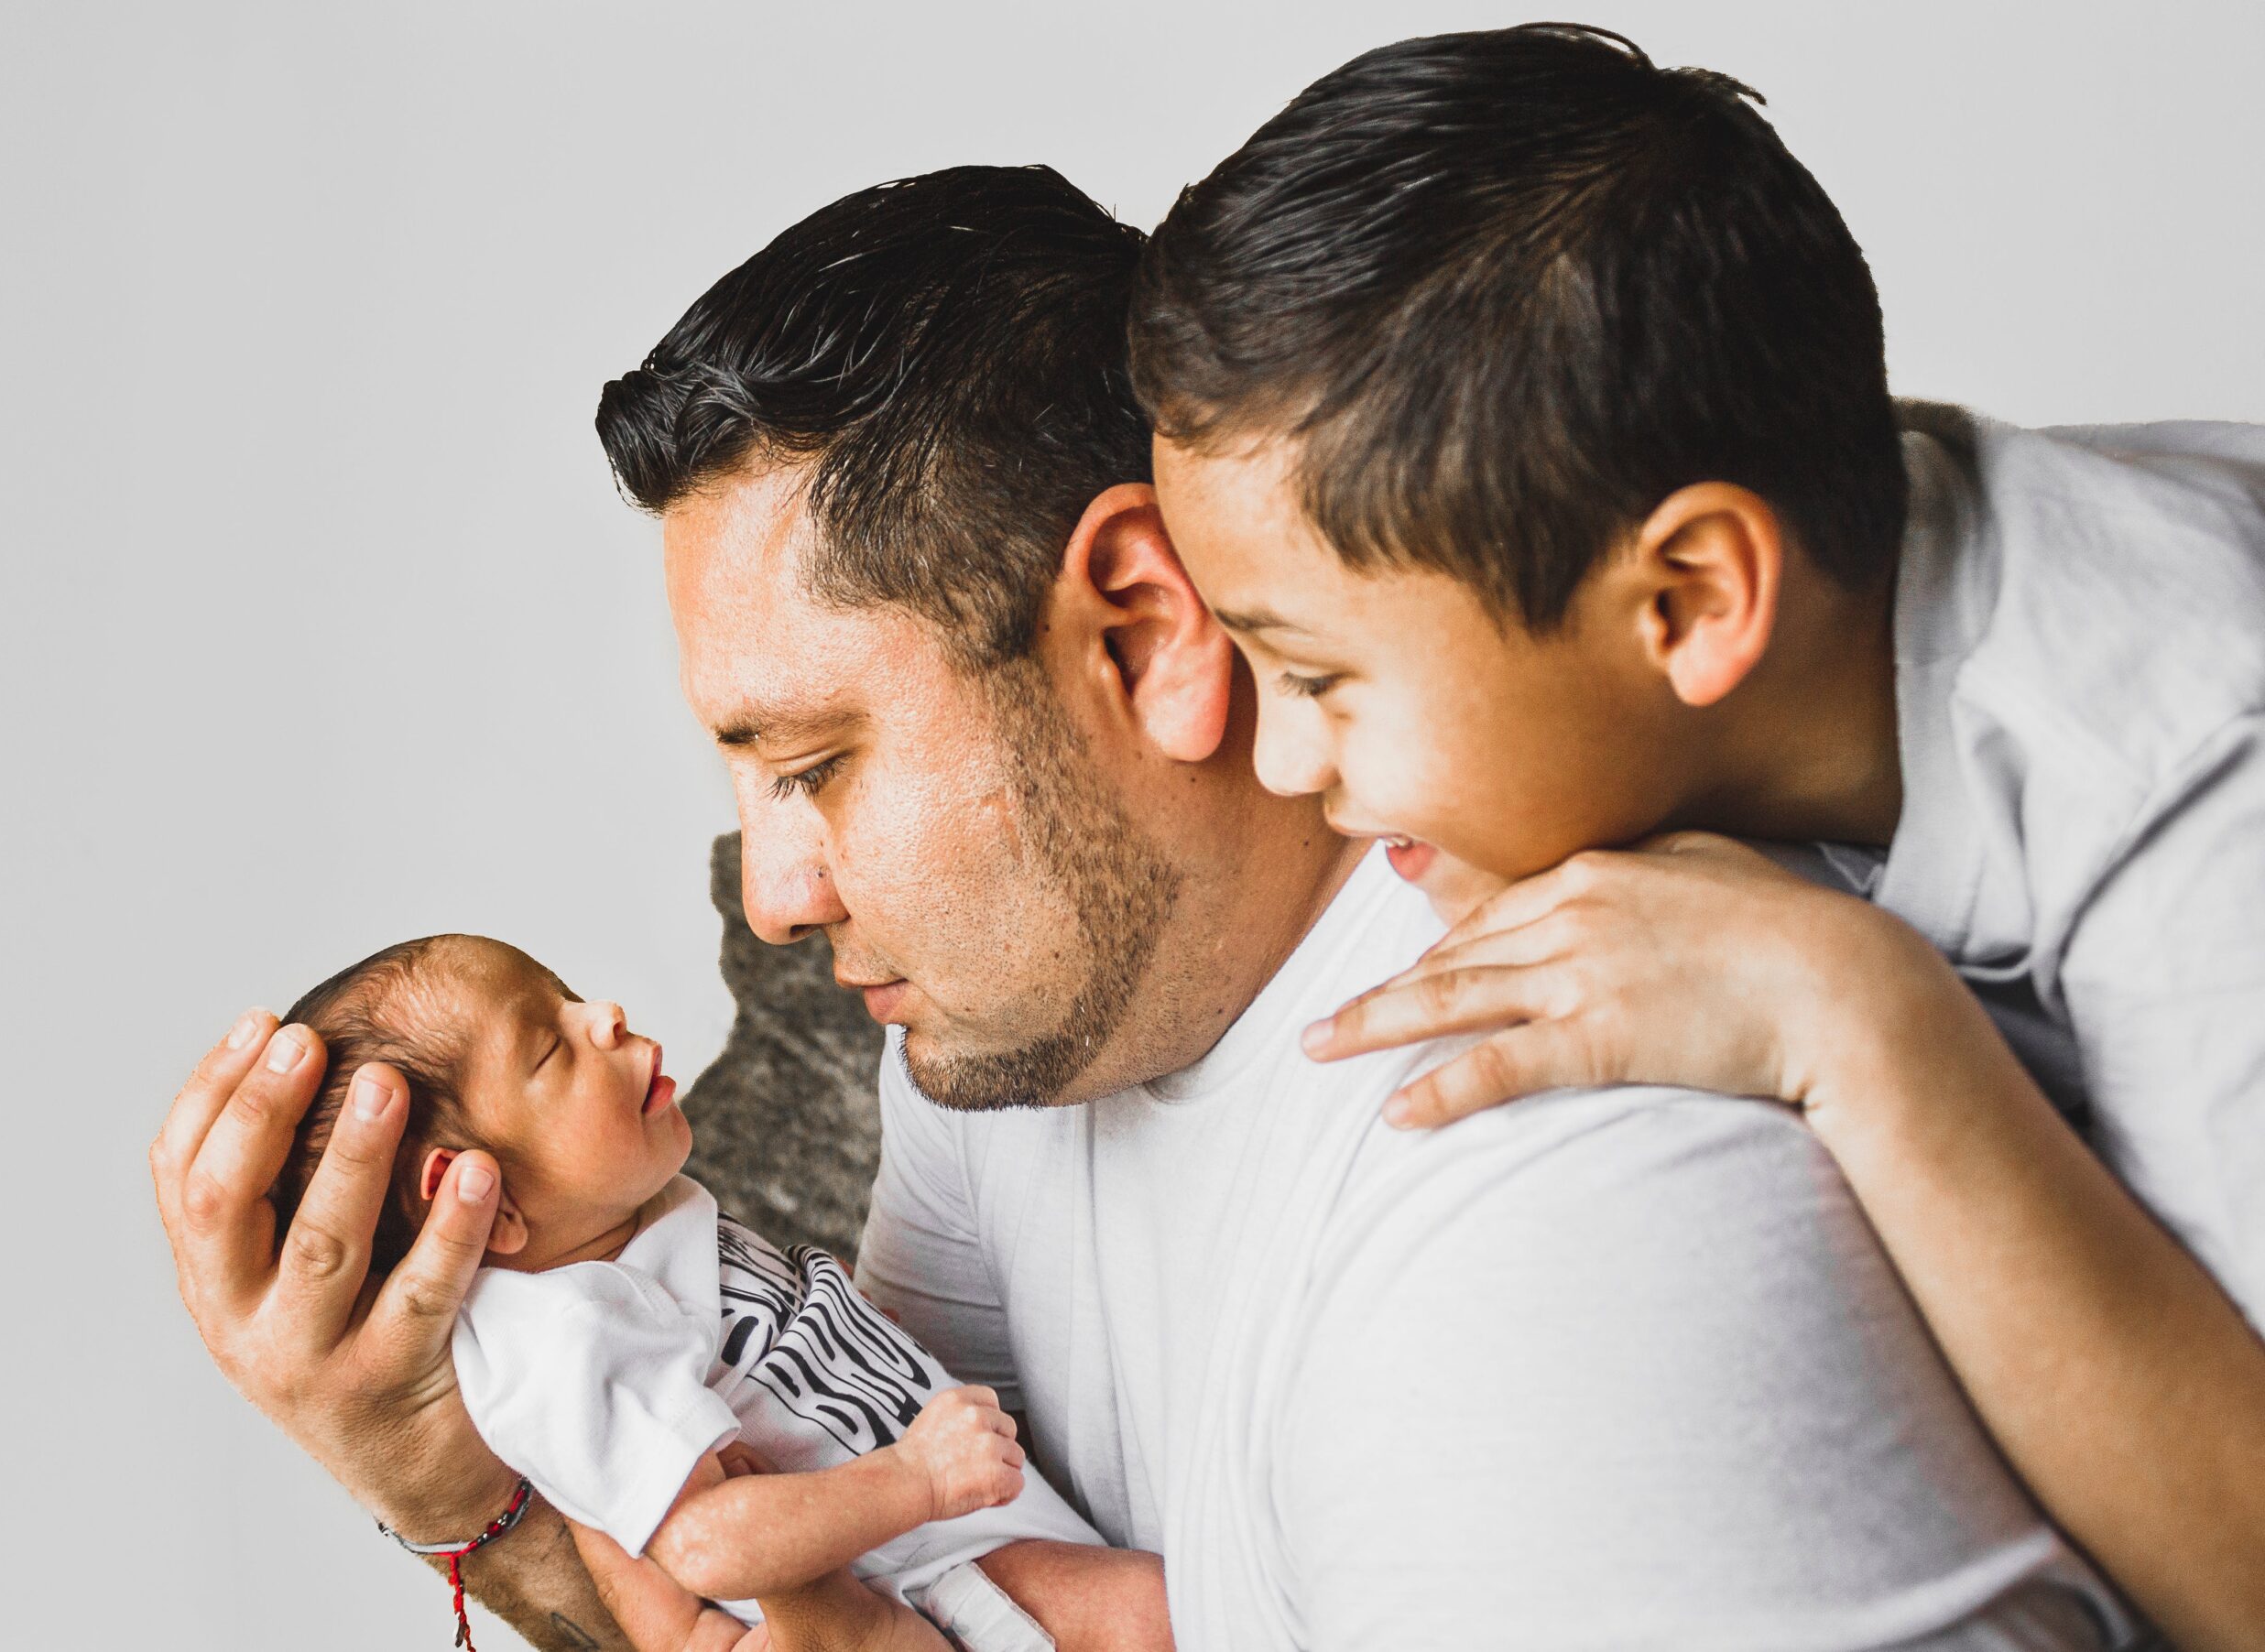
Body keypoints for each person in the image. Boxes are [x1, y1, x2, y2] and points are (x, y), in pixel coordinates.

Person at [152, 166, 2131, 1651]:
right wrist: (462, 1481)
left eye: (814, 759)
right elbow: (837, 1578)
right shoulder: (1003, 1049)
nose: (770, 887)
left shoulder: (1541, 1209)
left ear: (1137, 629)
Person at [1128, 26, 2265, 1652]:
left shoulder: (2198, 782)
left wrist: (1858, 1022)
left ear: (1694, 598)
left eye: (1315, 673)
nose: (1279, 749)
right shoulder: (1819, 592)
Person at [269, 933, 1167, 1652]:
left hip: (957, 1551)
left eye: (568, 994)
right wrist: (915, 1476)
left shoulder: (614, 1249)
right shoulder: (557, 1334)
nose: (604, 1016)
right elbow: (704, 1544)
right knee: (1163, 1619)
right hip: (929, 1590)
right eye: (550, 1046)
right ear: (480, 1198)